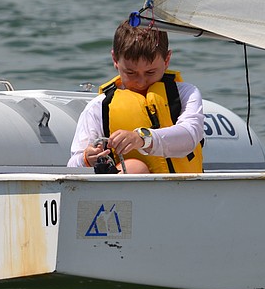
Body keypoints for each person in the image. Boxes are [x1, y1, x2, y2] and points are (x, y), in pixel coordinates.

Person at [67, 18, 204, 174]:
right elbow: (72, 165)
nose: (140, 82)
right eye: (130, 73)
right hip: (126, 192)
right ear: (115, 60)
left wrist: (142, 139)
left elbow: (190, 136)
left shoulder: (186, 93)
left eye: (150, 72)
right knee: (135, 168)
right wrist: (85, 159)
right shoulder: (99, 107)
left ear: (167, 60)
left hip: (183, 192)